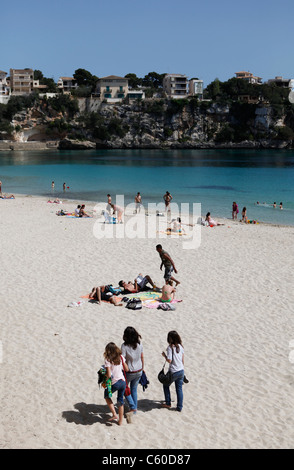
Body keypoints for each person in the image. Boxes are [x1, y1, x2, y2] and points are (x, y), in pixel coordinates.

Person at [103, 342, 128, 425]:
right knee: (120, 401)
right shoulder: (121, 357)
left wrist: (104, 376)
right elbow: (126, 369)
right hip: (122, 381)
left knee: (107, 395)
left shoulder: (108, 360)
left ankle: (114, 414)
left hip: (115, 382)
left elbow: (109, 375)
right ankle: (120, 421)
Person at [121, 326, 144, 415]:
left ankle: (133, 407)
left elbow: (122, 359)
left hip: (130, 370)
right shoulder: (139, 344)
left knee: (124, 388)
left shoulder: (124, 346)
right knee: (134, 389)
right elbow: (142, 356)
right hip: (139, 369)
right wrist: (143, 367)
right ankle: (134, 409)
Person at [161, 331, 185, 412]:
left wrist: (164, 356)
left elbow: (169, 360)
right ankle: (179, 407)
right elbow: (182, 360)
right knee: (179, 389)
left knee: (165, 385)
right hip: (181, 370)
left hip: (174, 371)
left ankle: (168, 402)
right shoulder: (181, 347)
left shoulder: (170, 348)